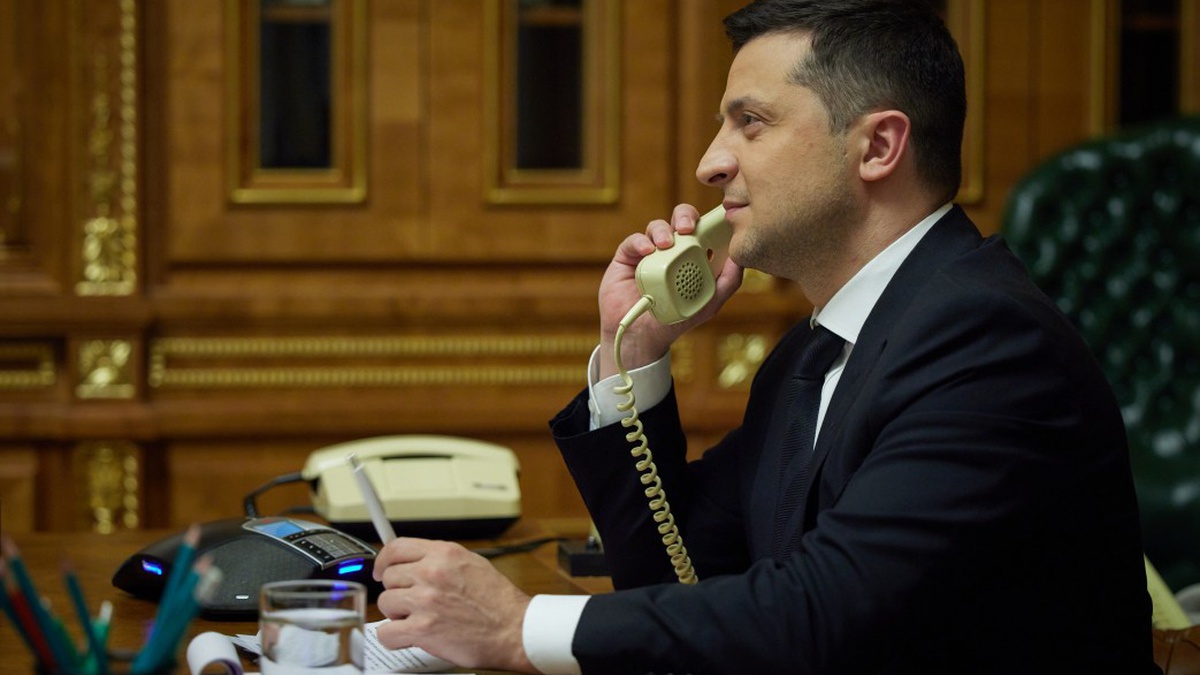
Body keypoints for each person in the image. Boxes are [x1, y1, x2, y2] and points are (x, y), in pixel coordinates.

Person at [371, 0, 1159, 672]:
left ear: (878, 147)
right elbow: (680, 576)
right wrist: (634, 350)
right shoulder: (815, 351)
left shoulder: (988, 341)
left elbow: (826, 611)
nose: (710, 163)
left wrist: (516, 626)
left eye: (750, 123)